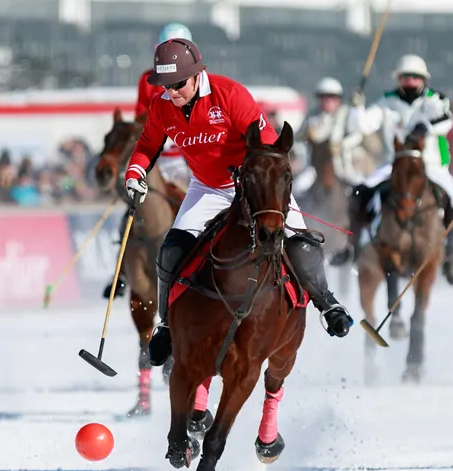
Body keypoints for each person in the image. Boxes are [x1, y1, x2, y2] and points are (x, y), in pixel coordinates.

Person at [123, 38, 355, 365]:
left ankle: (327, 303)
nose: (172, 92)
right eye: (165, 86)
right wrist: (134, 175)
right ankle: (166, 324)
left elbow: (269, 145)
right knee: (171, 250)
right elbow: (148, 145)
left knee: (299, 242)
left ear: (195, 76)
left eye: (177, 85)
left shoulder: (229, 94)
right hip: (207, 187)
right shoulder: (162, 106)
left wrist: (260, 181)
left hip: (253, 186)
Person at [340, 54, 453, 285]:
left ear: (423, 80)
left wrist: (424, 126)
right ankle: (351, 247)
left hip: (431, 165)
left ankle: (451, 257)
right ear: (398, 79)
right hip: (395, 164)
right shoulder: (386, 102)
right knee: (358, 192)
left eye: (415, 78)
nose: (410, 82)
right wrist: (356, 108)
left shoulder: (434, 99)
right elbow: (362, 125)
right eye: (405, 77)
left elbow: (446, 119)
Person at [102, 22, 194, 300]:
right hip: (158, 156)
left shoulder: (197, 79)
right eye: (163, 49)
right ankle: (121, 270)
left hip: (188, 157)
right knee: (136, 204)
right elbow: (143, 115)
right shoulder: (147, 79)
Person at [295, 76, 365, 188]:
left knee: (360, 187)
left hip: (343, 165)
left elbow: (357, 133)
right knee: (298, 187)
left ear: (339, 99)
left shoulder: (346, 114)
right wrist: (306, 138)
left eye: (332, 97)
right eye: (324, 96)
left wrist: (357, 107)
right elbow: (297, 137)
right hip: (314, 167)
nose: (328, 100)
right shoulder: (312, 116)